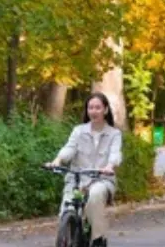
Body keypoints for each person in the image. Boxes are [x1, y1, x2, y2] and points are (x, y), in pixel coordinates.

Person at [47, 93, 122, 247]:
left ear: (105, 110)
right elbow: (69, 148)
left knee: (95, 195)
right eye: (90, 107)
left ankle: (97, 238)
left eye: (98, 107)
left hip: (101, 179)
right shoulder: (78, 131)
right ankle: (68, 234)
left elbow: (115, 154)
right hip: (77, 179)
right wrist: (58, 160)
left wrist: (109, 166)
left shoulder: (114, 134)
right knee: (67, 208)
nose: (93, 111)